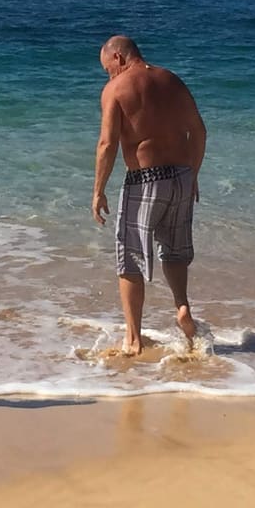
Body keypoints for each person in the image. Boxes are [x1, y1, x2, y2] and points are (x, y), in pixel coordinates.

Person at [91, 35, 207, 355]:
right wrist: (193, 174)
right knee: (175, 249)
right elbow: (198, 130)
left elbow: (107, 144)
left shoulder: (116, 89)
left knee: (130, 256)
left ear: (118, 57)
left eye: (107, 69)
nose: (109, 75)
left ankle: (133, 339)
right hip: (181, 176)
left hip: (146, 179)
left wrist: (98, 191)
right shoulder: (171, 80)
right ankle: (182, 306)